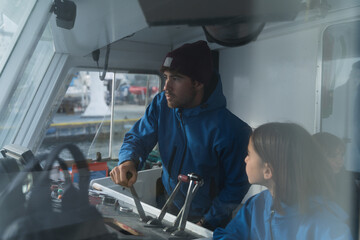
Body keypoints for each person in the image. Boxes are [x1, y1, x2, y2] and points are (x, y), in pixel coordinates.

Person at [110, 40, 252, 230]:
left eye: (175, 78)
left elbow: (236, 187)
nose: (165, 87)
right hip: (169, 205)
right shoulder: (161, 105)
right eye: (166, 77)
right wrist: (128, 161)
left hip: (208, 219)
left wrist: (206, 221)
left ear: (198, 82)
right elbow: (137, 138)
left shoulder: (233, 130)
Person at [213, 122, 353, 240]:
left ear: (268, 171)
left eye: (249, 153)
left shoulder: (329, 224)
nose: (245, 159)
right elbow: (230, 236)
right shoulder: (257, 204)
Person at [313, 132, 359, 239]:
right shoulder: (306, 185)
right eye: (333, 156)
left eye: (341, 155)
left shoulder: (347, 182)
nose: (340, 161)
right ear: (316, 158)